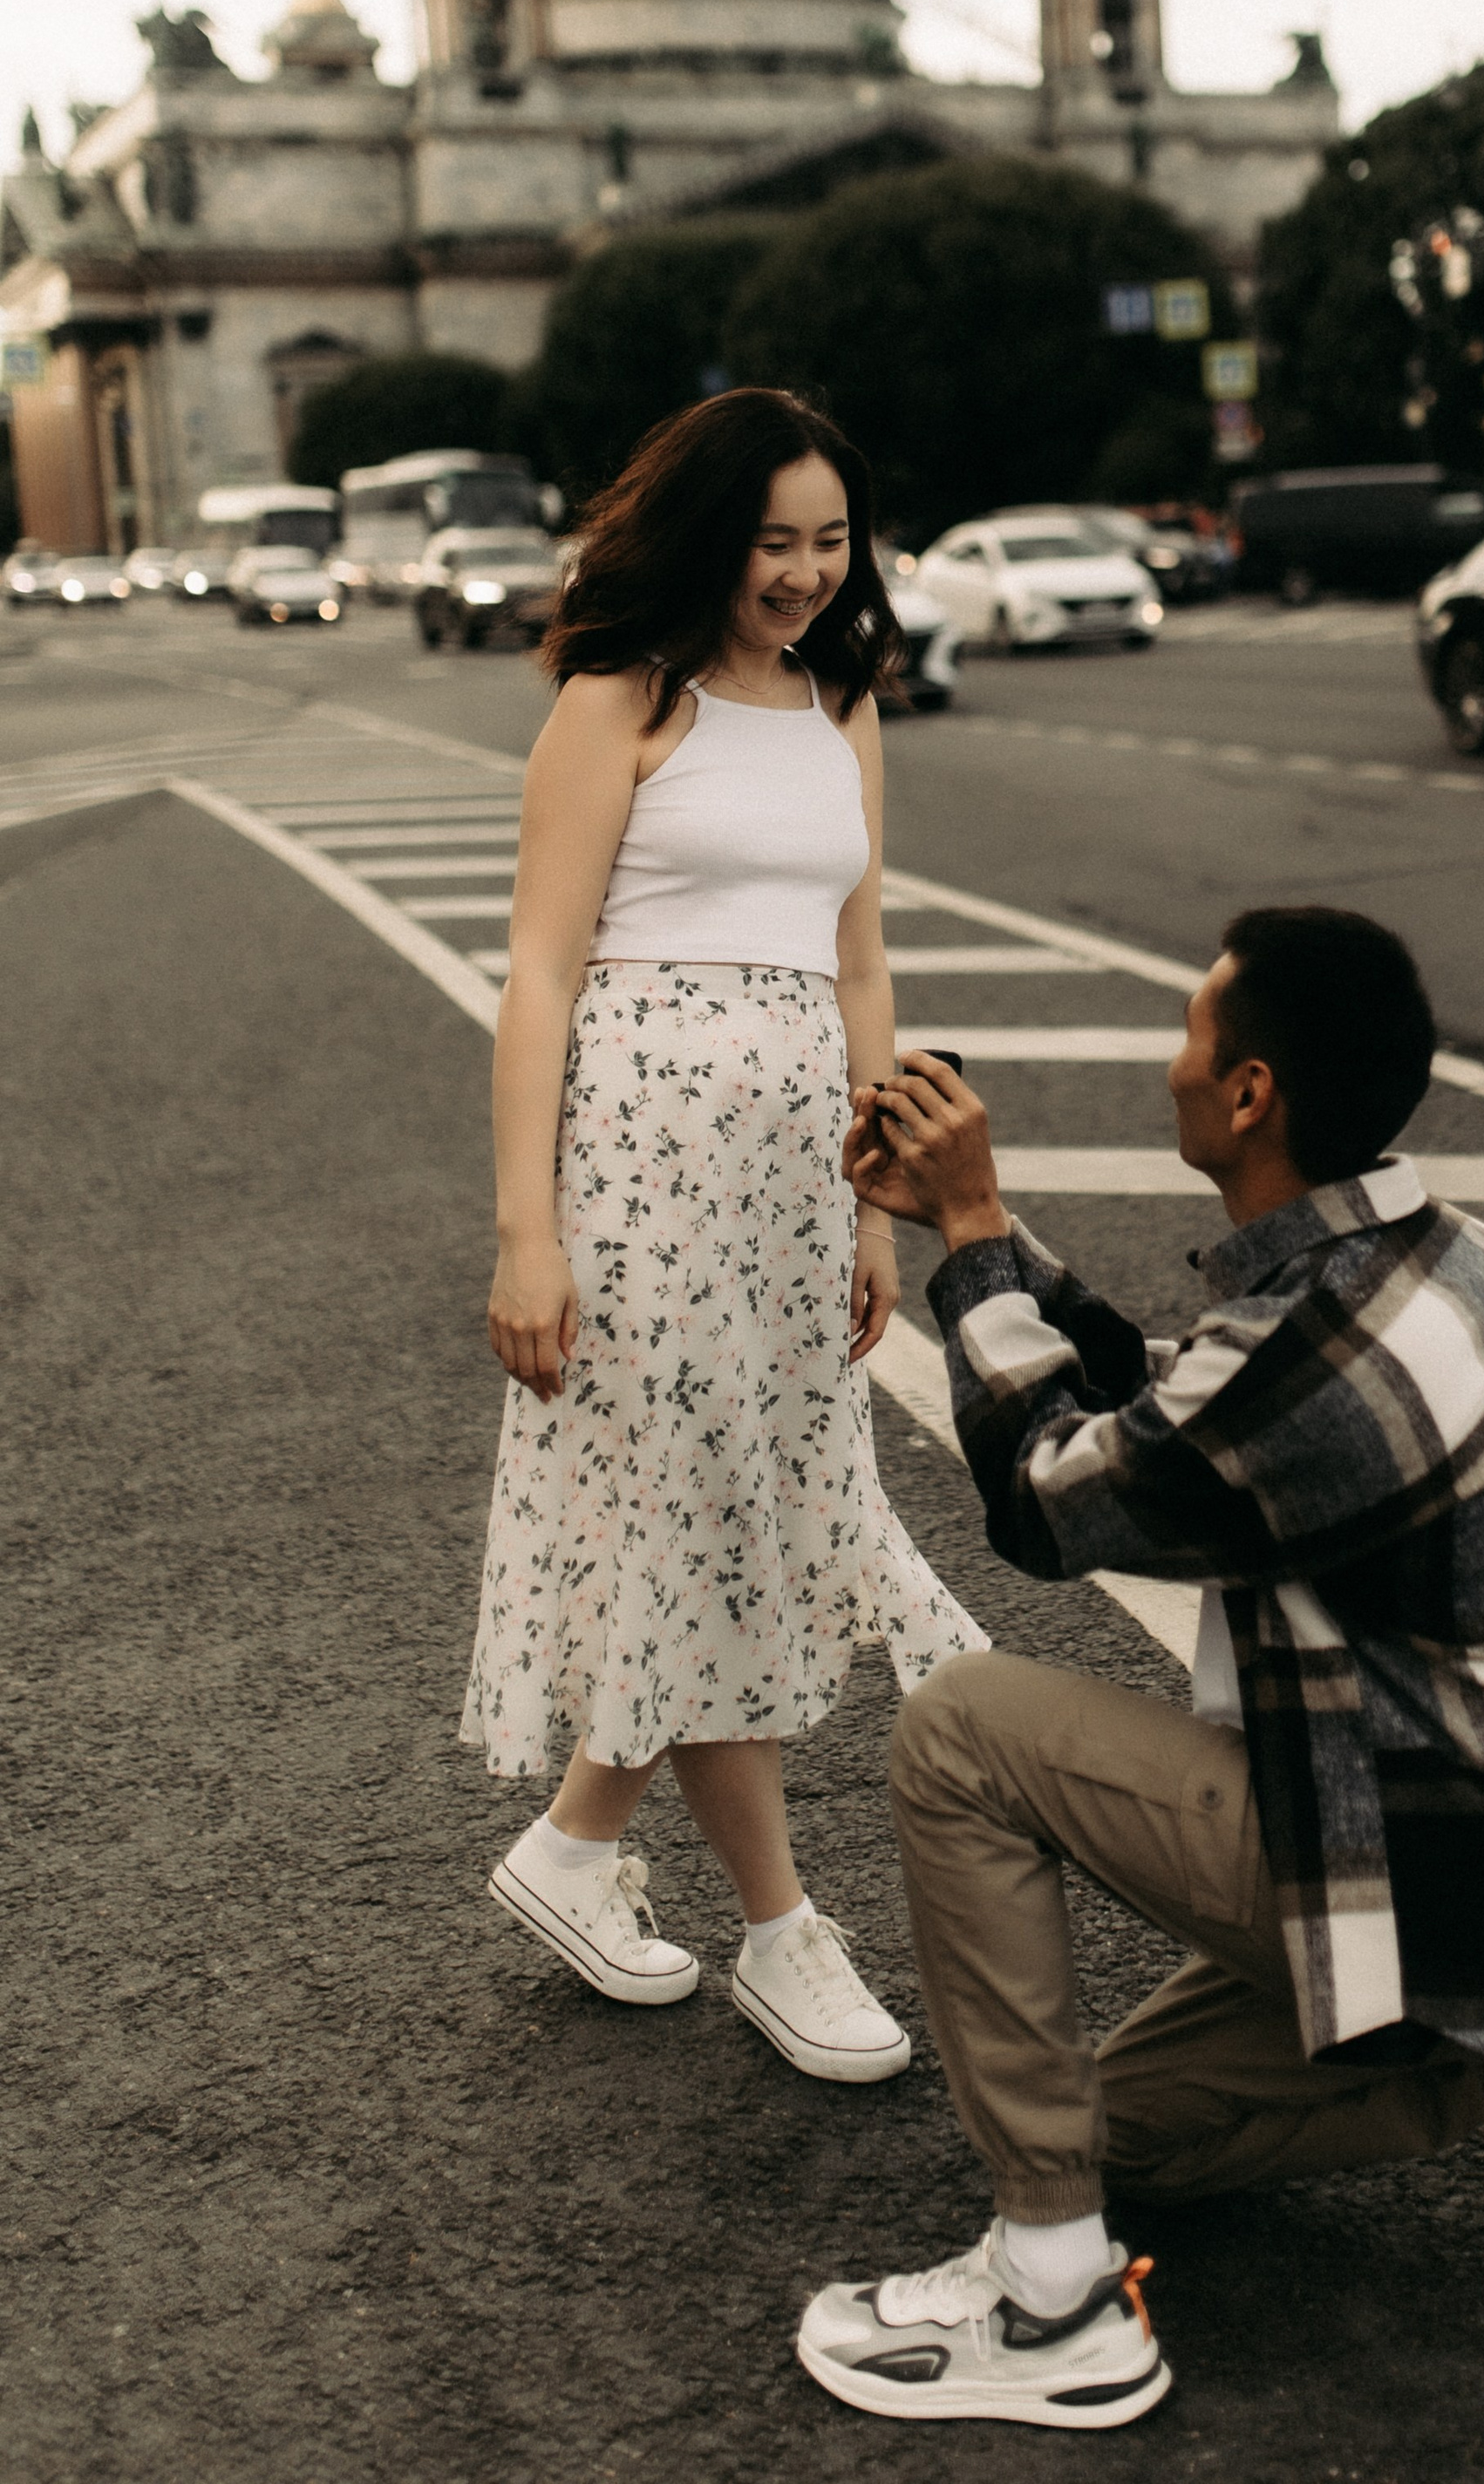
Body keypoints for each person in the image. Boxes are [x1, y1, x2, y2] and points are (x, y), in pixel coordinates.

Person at [794, 905, 1484, 2429]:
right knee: (1117, 2139)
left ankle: (1054, 2304)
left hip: (1437, 1876)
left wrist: (972, 1232)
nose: (1170, 1063)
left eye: (1191, 1034)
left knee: (960, 1729)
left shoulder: (1317, 1349)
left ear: (1249, 1094)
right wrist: (988, 1240)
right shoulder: (1449, 1263)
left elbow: (1050, 1501)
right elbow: (1183, 1416)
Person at [459, 388, 985, 2079]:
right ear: (706, 536)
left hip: (787, 1185)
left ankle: (576, 1848)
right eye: (773, 544)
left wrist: (874, 1200)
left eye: (830, 544)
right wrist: (526, 1233)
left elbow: (859, 961)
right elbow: (540, 976)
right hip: (639, 1174)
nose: (805, 575)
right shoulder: (620, 697)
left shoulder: (842, 702)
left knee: (723, 1510)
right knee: (706, 1519)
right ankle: (780, 1931)